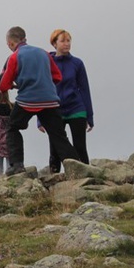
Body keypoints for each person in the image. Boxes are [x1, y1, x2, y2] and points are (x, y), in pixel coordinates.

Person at [0, 26, 80, 176]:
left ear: (11, 43)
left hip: (27, 100)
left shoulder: (15, 57)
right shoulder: (44, 53)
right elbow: (57, 77)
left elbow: (3, 84)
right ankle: (75, 166)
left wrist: (15, 85)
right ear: (25, 39)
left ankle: (17, 165)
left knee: (12, 128)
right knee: (59, 135)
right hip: (50, 100)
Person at [42, 29, 94, 172]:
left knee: (80, 146)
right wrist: (40, 119)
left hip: (76, 109)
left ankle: (86, 175)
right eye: (63, 41)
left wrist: (89, 116)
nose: (67, 44)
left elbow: (84, 89)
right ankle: (54, 177)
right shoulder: (47, 63)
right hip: (54, 109)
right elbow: (42, 88)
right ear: (54, 43)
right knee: (55, 147)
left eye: (68, 41)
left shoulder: (77, 63)